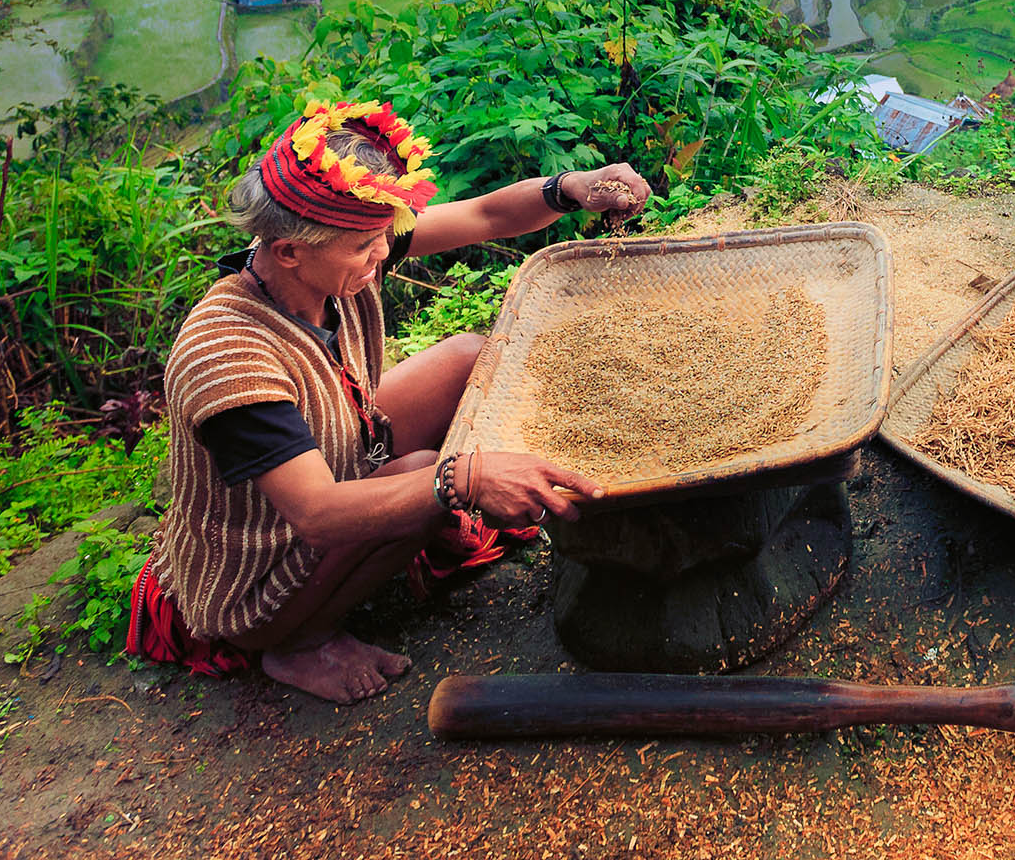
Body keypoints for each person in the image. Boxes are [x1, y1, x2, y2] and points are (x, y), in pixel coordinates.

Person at [129, 99, 651, 702]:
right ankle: (299, 643)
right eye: (365, 248)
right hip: (261, 568)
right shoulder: (228, 360)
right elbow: (318, 513)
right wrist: (464, 479)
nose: (383, 254)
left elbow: (484, 215)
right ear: (288, 250)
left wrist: (569, 189)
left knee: (464, 359)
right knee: (427, 476)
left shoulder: (341, 250)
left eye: (384, 238)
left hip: (341, 450)